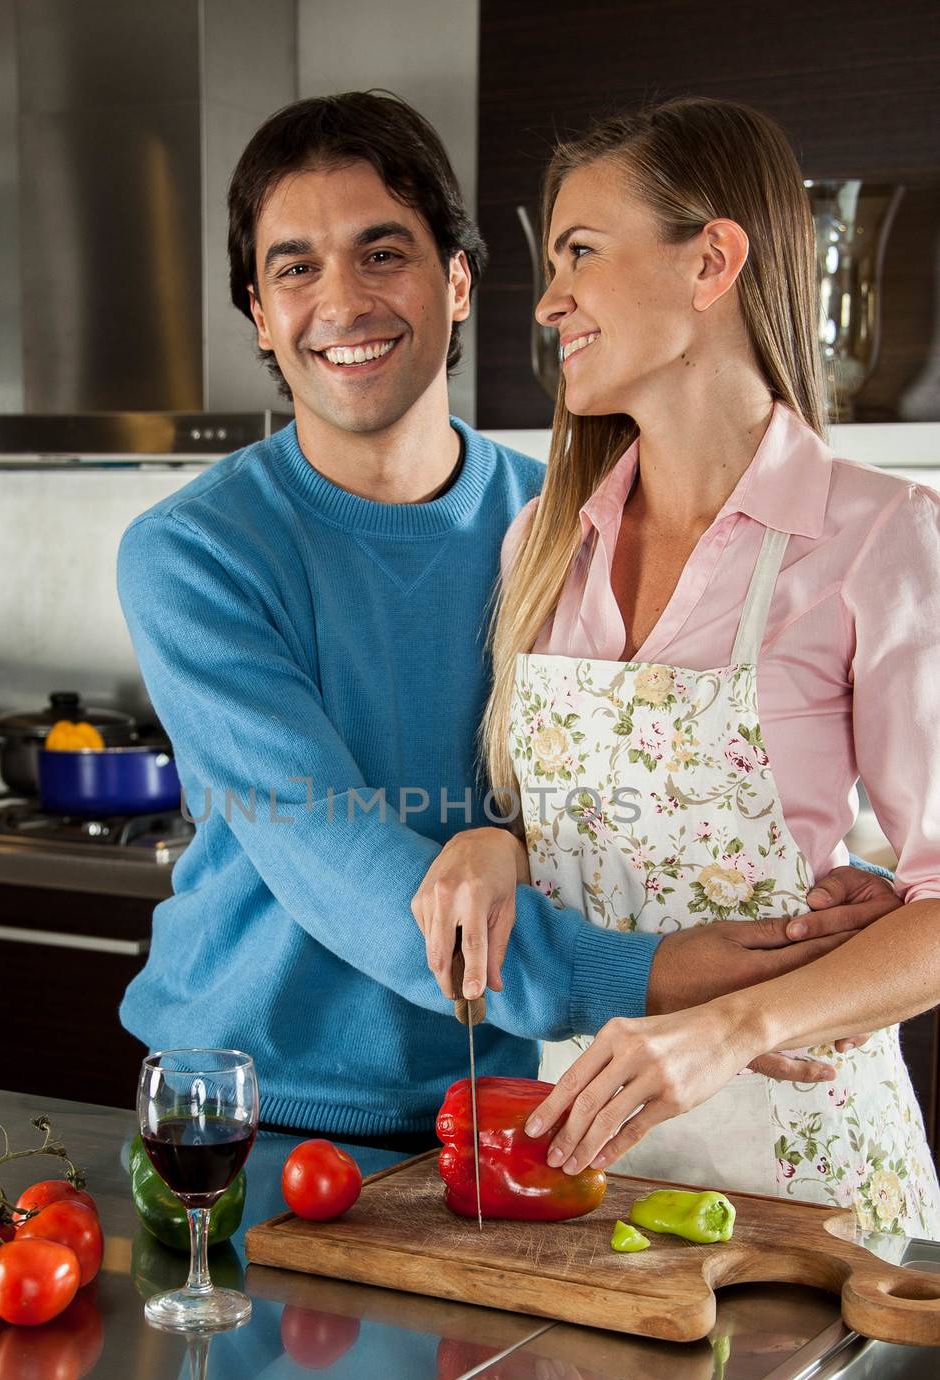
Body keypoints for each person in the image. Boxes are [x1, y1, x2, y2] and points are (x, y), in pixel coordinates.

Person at [117, 90, 896, 1144]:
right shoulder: (192, 553)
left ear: (457, 279)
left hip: (508, 1109)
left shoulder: (553, 528)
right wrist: (650, 975)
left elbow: (605, 799)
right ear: (259, 312)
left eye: (381, 253)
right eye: (294, 268)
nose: (340, 301)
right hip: (255, 1104)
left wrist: (853, 909)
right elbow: (325, 843)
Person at [413, 97, 940, 1233]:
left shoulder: (879, 535)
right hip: (575, 1161)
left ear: (710, 260)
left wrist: (739, 1026)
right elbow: (578, 830)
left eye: (580, 255)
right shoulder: (544, 535)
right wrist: (491, 838)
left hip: (804, 1185)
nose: (548, 300)